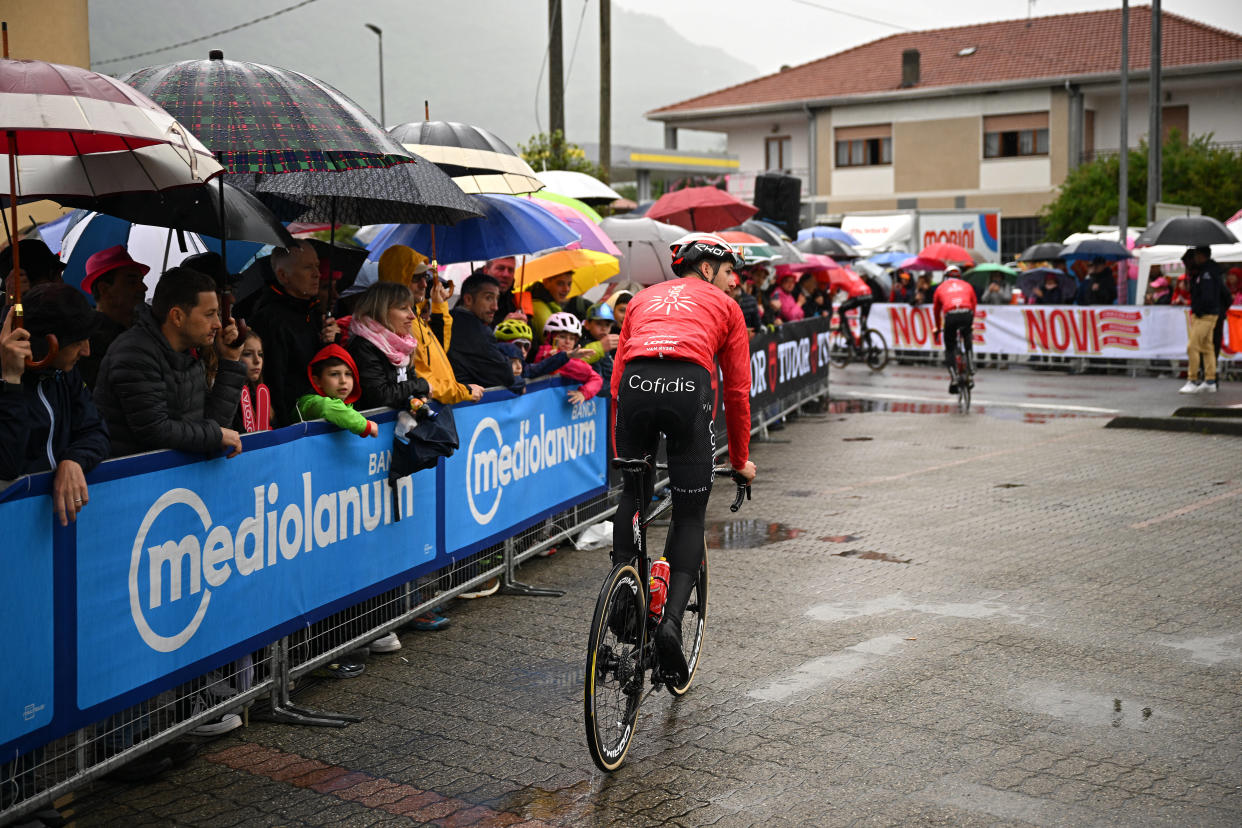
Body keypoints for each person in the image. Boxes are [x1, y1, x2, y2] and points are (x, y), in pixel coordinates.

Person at [611, 231, 757, 686]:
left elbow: (616, 380)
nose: (735, 283)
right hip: (689, 386)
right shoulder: (728, 309)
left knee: (632, 497)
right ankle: (671, 622)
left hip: (636, 386)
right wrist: (740, 460)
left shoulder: (641, 299)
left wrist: (627, 444)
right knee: (690, 516)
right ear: (709, 268)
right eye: (731, 272)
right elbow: (736, 391)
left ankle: (623, 596)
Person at [93, 267, 245, 459]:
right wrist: (216, 434)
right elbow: (154, 431)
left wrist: (230, 362)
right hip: (135, 482)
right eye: (209, 314)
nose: (217, 323)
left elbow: (214, 425)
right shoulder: (134, 352)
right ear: (177, 317)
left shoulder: (188, 354)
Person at [0, 283, 110, 526]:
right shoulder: (8, 380)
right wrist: (11, 383)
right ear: (47, 344)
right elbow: (6, 465)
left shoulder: (64, 373)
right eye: (77, 342)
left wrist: (73, 460)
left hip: (54, 527)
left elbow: (96, 430)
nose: (87, 351)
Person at [246, 241, 339, 425]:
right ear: (283, 275)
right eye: (307, 267)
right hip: (294, 426)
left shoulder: (311, 312)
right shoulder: (271, 319)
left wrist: (329, 342)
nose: (317, 274)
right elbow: (274, 382)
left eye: (317, 266)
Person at [377, 245, 484, 405]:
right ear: (398, 279)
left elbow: (440, 351)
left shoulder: (416, 317)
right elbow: (423, 379)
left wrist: (439, 306)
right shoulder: (400, 325)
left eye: (425, 276)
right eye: (415, 278)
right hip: (426, 409)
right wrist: (463, 391)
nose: (424, 284)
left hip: (437, 404)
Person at [342, 282, 431, 413]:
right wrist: (421, 386)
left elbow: (410, 382)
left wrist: (419, 397)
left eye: (411, 308)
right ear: (381, 312)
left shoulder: (403, 343)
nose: (412, 316)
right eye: (403, 308)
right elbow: (379, 396)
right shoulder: (363, 346)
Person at [77, 245, 151, 389]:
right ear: (104, 289)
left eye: (141, 280)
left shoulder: (147, 327)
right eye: (131, 282)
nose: (143, 288)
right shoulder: (88, 342)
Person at [447, 273, 526, 392]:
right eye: (488, 298)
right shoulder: (476, 331)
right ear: (468, 299)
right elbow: (504, 374)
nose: (495, 307)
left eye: (497, 299)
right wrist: (519, 381)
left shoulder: (449, 320)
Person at [1180, 247, 1225, 394]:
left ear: (1201, 256)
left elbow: (1208, 295)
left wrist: (1201, 309)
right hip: (1207, 313)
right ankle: (1210, 380)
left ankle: (1192, 379)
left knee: (1193, 346)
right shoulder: (1204, 272)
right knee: (1207, 347)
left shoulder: (1207, 273)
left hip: (1205, 314)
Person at [533, 312, 602, 404]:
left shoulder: (573, 358)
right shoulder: (545, 353)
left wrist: (584, 393)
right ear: (550, 337)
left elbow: (597, 379)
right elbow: (542, 361)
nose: (567, 342)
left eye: (572, 338)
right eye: (562, 337)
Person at [931, 267, 978, 395]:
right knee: (967, 337)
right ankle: (971, 365)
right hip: (966, 313)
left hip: (951, 315)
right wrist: (971, 322)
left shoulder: (941, 287)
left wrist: (937, 327)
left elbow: (936, 310)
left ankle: (954, 378)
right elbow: (974, 304)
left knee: (950, 348)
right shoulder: (967, 285)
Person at [494, 318, 574, 379]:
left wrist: (566, 355)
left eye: (526, 346)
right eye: (517, 346)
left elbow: (540, 367)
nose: (523, 351)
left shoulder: (524, 368)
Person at [234, 331, 272, 433]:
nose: (257, 360)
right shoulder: (230, 399)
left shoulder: (260, 395)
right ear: (234, 356)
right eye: (247, 354)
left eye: (260, 354)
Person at [833, 269, 873, 346]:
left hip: (857, 296)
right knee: (863, 322)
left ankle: (849, 337)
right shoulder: (852, 273)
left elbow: (832, 293)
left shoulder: (836, 277)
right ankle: (871, 346)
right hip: (869, 295)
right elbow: (853, 288)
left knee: (841, 310)